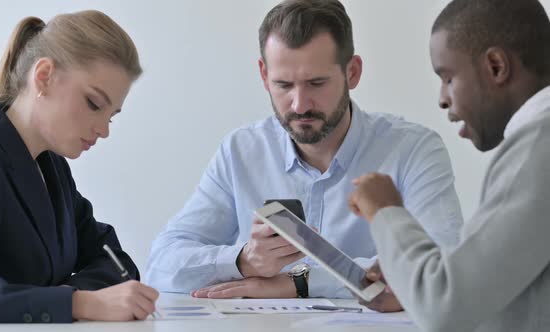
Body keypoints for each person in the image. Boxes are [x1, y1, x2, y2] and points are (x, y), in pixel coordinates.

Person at [146, 0, 462, 308]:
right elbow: (161, 264)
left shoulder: (413, 150)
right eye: (283, 84)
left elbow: (443, 266)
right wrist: (244, 260)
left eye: (316, 83)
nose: (300, 105)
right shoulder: (240, 152)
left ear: (352, 73)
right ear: (263, 75)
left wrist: (298, 282)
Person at [348, 0, 550, 330]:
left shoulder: (537, 152)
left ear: (496, 66)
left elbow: (443, 306)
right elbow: (486, 285)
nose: (442, 98)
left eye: (448, 78)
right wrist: (408, 266)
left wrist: (385, 211)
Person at [0, 10, 159, 323]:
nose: (104, 129)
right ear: (44, 77)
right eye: (94, 103)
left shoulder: (51, 166)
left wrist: (74, 296)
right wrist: (77, 303)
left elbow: (114, 259)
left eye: (111, 115)